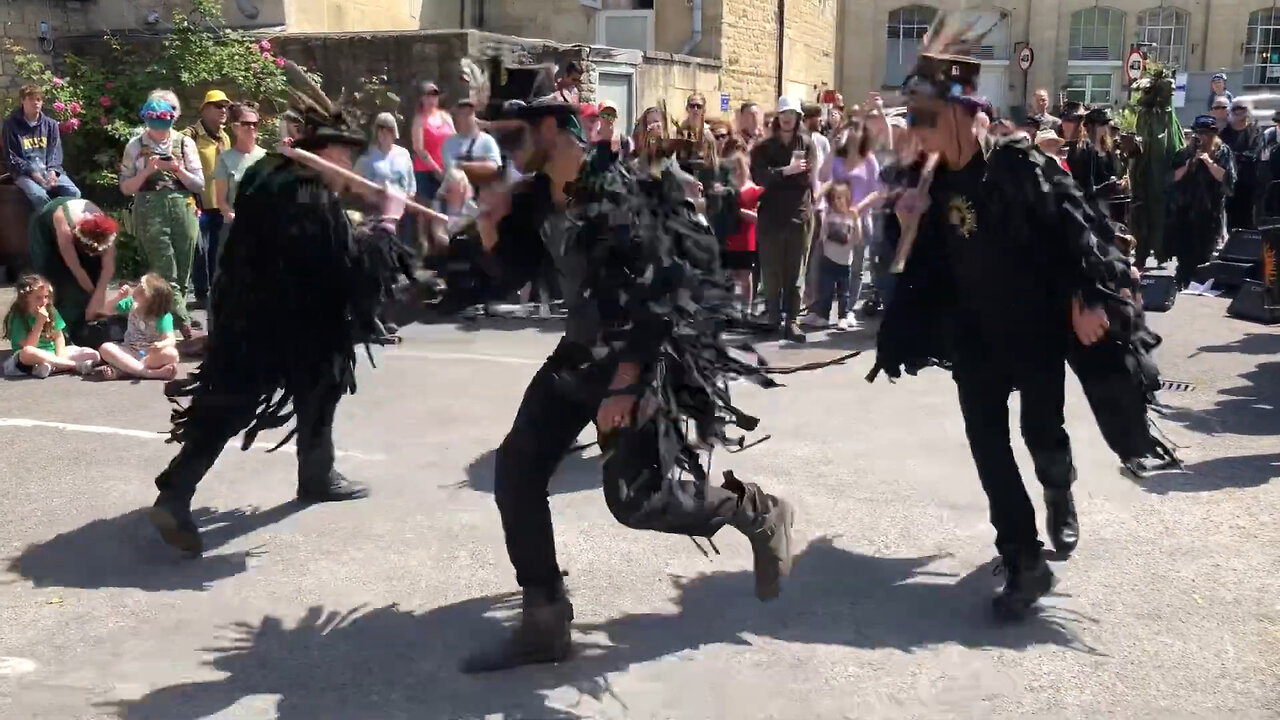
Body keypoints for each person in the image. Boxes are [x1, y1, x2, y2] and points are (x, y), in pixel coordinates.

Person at [444, 97, 795, 673]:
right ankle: (545, 619)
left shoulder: (621, 193)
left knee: (636, 502)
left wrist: (626, 385)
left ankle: (752, 508)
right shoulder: (536, 197)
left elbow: (664, 292)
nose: (507, 147)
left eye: (516, 134)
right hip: (581, 352)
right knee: (518, 470)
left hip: (642, 355)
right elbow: (513, 275)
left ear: (556, 130)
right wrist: (487, 232)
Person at [871, 45, 1170, 621]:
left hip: (1034, 328)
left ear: (960, 113)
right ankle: (1023, 557)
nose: (915, 131)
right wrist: (904, 224)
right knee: (988, 447)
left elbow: (1080, 234)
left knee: (1042, 433)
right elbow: (909, 264)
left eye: (924, 117)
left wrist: (1086, 299)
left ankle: (1059, 491)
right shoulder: (921, 183)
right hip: (974, 335)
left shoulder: (1017, 165)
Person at [146, 64, 411, 557]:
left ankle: (315, 472)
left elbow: (316, 251)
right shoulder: (307, 195)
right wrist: (389, 226)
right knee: (231, 404)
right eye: (347, 155)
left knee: (323, 380)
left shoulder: (270, 172)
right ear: (326, 152)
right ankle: (175, 493)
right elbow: (345, 264)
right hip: (267, 322)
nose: (352, 165)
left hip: (274, 313)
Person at [119, 97, 204, 339]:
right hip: (150, 208)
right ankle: (183, 323)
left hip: (183, 206)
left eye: (163, 124)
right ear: (146, 121)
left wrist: (177, 169)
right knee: (166, 269)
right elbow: (125, 187)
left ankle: (172, 317)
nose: (159, 130)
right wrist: (147, 171)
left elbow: (199, 184)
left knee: (184, 265)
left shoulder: (185, 142)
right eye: (154, 124)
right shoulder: (135, 146)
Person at [750, 96, 816, 342]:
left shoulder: (806, 143)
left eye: (792, 113)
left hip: (799, 215)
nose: (787, 117)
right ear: (777, 117)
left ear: (798, 116)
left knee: (795, 272)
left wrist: (780, 175)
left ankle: (793, 320)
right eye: (783, 113)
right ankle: (773, 317)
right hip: (771, 217)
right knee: (772, 272)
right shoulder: (764, 148)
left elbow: (806, 178)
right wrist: (786, 171)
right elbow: (759, 178)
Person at [25, 197, 118, 343]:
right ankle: (59, 332)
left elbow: (108, 268)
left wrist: (98, 295)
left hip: (84, 235)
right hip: (47, 232)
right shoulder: (63, 224)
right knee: (57, 279)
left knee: (95, 270)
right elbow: (75, 268)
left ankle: (85, 329)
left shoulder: (105, 232)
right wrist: (93, 293)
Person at [1169, 115, 1236, 289]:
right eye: (1199, 133)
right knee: (1184, 247)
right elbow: (1172, 177)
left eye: (1206, 133)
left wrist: (1208, 162)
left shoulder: (1223, 151)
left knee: (1205, 248)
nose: (1202, 137)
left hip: (1210, 209)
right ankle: (1182, 278)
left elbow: (1227, 178)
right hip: (1185, 208)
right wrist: (1190, 163)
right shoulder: (1184, 152)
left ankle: (1200, 282)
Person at [184, 90, 232, 308]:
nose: (223, 110)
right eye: (217, 106)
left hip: (220, 204)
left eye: (226, 107)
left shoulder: (226, 137)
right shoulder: (189, 136)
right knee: (200, 251)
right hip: (199, 203)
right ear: (204, 109)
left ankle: (217, 290)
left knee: (218, 250)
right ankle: (202, 293)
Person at [4, 273, 99, 378]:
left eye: (46, 297)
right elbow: (29, 346)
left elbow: (59, 337)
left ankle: (55, 365)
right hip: (30, 358)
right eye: (38, 298)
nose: (44, 301)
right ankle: (74, 366)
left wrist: (60, 356)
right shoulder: (18, 316)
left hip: (52, 353)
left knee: (93, 354)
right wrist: (39, 323)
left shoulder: (50, 309)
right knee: (27, 352)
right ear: (25, 298)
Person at [3, 84, 80, 209]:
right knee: (40, 196)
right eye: (31, 99)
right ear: (23, 101)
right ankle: (46, 225)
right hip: (24, 173)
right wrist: (33, 174)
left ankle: (64, 223)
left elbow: (55, 152)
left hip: (48, 171)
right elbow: (12, 157)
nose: (36, 103)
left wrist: (52, 172)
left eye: (38, 99)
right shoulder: (11, 125)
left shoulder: (51, 125)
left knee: (74, 193)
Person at [93, 273, 180, 381]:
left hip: (150, 356)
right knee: (105, 348)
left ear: (150, 299)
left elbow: (170, 339)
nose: (137, 288)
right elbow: (106, 310)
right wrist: (118, 297)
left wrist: (161, 344)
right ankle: (148, 373)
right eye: (139, 284)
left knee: (172, 354)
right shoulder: (132, 304)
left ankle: (123, 371)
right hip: (129, 350)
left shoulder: (162, 316)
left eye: (142, 289)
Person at [805, 182, 859, 330]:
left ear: (848, 198)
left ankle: (843, 317)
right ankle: (823, 316)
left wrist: (856, 219)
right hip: (828, 260)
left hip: (845, 262)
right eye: (834, 198)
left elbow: (857, 239)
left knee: (844, 293)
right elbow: (823, 236)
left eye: (841, 198)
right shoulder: (829, 215)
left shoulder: (851, 216)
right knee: (826, 291)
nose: (837, 201)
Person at [212, 103, 267, 232]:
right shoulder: (224, 159)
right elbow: (221, 201)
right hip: (235, 228)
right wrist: (232, 216)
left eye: (255, 124)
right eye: (246, 124)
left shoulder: (266, 157)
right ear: (235, 127)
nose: (251, 127)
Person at [722, 149, 762, 311]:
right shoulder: (728, 190)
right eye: (734, 168)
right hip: (731, 237)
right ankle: (730, 308)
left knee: (745, 275)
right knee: (730, 275)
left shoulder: (754, 190)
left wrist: (741, 212)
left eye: (740, 167)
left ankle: (746, 309)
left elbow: (760, 217)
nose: (737, 172)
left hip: (747, 239)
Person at [1219, 99, 1261, 232]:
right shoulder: (1224, 133)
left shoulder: (1255, 131)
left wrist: (1234, 156)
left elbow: (1255, 154)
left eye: (1241, 108)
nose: (1237, 111)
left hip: (1248, 183)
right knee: (1227, 219)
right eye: (1234, 108)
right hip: (1228, 183)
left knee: (1246, 220)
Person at [441, 97, 502, 187]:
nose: (466, 118)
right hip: (459, 191)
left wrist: (464, 165)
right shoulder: (450, 142)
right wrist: (481, 164)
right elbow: (452, 170)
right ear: (455, 118)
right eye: (462, 114)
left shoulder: (487, 140)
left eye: (469, 113)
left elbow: (494, 167)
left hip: (484, 190)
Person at [410, 81, 454, 203]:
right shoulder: (419, 119)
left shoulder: (446, 116)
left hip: (447, 170)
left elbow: (454, 141)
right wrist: (437, 170)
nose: (431, 99)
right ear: (422, 98)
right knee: (426, 212)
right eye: (428, 95)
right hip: (425, 172)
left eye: (434, 95)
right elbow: (418, 148)